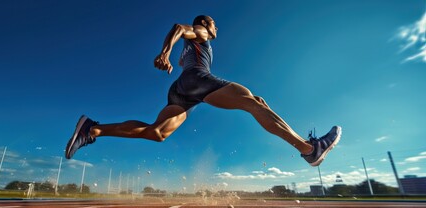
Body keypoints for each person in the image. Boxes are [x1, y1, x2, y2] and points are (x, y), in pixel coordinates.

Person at [65, 15, 341, 166]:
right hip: (198, 80)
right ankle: (310, 149)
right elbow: (179, 27)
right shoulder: (202, 32)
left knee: (157, 132)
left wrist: (170, 57)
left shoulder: (190, 52)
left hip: (182, 90)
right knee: (254, 103)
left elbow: (183, 45)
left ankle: (93, 129)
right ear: (206, 25)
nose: (215, 28)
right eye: (213, 24)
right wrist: (164, 52)